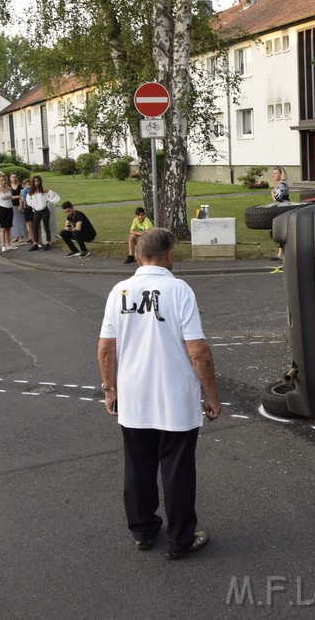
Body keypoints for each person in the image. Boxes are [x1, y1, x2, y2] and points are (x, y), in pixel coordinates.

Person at [97, 228, 222, 559]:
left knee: (138, 467)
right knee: (177, 469)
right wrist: (211, 394)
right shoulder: (178, 289)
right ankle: (180, 539)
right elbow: (198, 351)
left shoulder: (119, 290)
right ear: (170, 255)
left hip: (134, 394)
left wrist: (110, 389)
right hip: (174, 397)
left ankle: (143, 531)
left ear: (138, 257)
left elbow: (106, 348)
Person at [25, 175, 59, 251]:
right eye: (35, 181)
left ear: (40, 182)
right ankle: (36, 243)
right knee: (35, 227)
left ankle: (47, 243)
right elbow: (29, 201)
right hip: (37, 211)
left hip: (44, 210)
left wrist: (48, 192)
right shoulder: (31, 192)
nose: (36, 183)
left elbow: (52, 195)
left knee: (45, 226)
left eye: (38, 181)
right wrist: (33, 206)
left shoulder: (43, 190)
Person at [0, 171, 15, 252]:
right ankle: (3, 246)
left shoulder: (9, 188)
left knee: (8, 228)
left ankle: (9, 244)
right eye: (2, 180)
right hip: (2, 209)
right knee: (3, 228)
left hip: (10, 209)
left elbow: (10, 197)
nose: (4, 181)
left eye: (5, 180)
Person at [269, 166, 289, 261]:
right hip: (280, 210)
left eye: (275, 173)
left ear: (281, 174)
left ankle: (282, 255)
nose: (274, 175)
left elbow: (277, 199)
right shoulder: (280, 185)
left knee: (280, 232)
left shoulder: (282, 185)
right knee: (278, 231)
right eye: (273, 173)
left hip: (283, 211)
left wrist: (272, 193)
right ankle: (280, 254)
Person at [9, 172, 27, 243]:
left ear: (17, 178)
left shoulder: (20, 186)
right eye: (12, 177)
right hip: (11, 206)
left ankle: (22, 237)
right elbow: (9, 196)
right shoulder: (8, 187)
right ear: (10, 178)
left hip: (19, 205)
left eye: (15, 177)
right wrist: (16, 196)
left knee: (21, 221)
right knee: (13, 221)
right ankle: (16, 236)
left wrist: (20, 205)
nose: (14, 179)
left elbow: (22, 196)